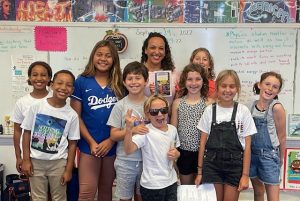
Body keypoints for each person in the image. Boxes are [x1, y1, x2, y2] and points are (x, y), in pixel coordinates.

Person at [70, 40, 124, 201]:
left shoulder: (120, 83)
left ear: (114, 59)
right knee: (86, 193)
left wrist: (111, 141)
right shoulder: (82, 81)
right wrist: (91, 142)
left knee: (106, 191)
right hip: (88, 146)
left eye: (108, 56)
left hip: (112, 146)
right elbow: (75, 116)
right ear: (93, 56)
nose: (103, 59)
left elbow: (124, 118)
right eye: (99, 54)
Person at [195, 70, 257, 201]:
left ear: (237, 89)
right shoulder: (209, 111)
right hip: (211, 166)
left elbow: (247, 147)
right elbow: (202, 144)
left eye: (232, 86)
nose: (227, 90)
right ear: (217, 87)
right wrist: (200, 172)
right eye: (223, 86)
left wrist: (245, 175)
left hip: (234, 167)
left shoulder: (243, 111)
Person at [21, 70, 80, 201]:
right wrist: (26, 159)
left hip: (58, 163)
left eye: (69, 85)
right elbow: (26, 132)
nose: (64, 88)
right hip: (35, 162)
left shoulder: (72, 115)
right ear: (52, 85)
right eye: (60, 83)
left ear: (73, 90)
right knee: (38, 198)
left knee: (59, 197)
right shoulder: (36, 107)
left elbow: (72, 144)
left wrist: (68, 169)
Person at [124, 95, 180, 201]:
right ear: (147, 114)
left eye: (163, 110)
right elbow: (128, 150)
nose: (160, 114)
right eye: (154, 112)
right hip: (152, 186)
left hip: (171, 182)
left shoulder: (173, 129)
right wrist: (128, 129)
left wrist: (177, 154)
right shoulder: (145, 131)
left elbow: (176, 151)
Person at [107, 61, 149, 201]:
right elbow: (113, 135)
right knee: (124, 198)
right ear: (124, 82)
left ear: (146, 81)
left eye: (138, 78)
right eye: (130, 78)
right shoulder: (120, 106)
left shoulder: (152, 104)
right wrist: (132, 130)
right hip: (125, 162)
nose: (134, 82)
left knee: (142, 196)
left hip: (148, 160)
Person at [171, 63, 213, 185]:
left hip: (204, 153)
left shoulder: (209, 103)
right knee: (187, 189)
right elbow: (173, 130)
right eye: (190, 79)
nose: (193, 83)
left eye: (198, 79)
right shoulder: (177, 103)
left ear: (203, 81)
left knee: (203, 190)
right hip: (184, 153)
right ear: (184, 81)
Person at [249, 72, 286, 201]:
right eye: (267, 84)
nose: (270, 88)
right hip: (252, 155)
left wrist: (280, 159)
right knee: (258, 192)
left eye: (275, 87)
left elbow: (281, 137)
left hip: (269, 156)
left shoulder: (277, 108)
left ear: (278, 91)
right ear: (260, 85)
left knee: (273, 198)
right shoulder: (251, 106)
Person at [11, 61, 52, 173]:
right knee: (35, 190)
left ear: (49, 78)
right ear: (29, 78)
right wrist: (19, 157)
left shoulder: (57, 99)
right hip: (30, 157)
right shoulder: (22, 102)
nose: (39, 78)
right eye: (34, 75)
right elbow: (17, 131)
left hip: (54, 158)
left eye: (43, 75)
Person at [141, 32, 180, 107]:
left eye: (161, 48)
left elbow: (177, 104)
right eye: (153, 48)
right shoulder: (137, 73)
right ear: (146, 50)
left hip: (167, 117)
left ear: (165, 52)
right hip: (142, 118)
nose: (157, 52)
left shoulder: (174, 74)